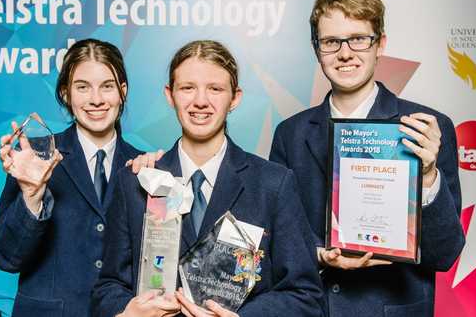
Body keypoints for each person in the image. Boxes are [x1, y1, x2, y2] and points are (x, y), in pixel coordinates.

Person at [269, 0, 465, 316]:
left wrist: (429, 175)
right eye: (331, 42)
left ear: (380, 44)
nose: (345, 53)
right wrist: (319, 254)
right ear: (317, 49)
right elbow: (278, 241)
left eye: (359, 38)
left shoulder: (427, 129)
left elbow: (444, 255)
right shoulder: (290, 134)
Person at [92, 40, 325, 317]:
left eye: (215, 89)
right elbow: (107, 288)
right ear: (170, 95)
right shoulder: (135, 183)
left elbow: (306, 297)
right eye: (187, 88)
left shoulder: (273, 184)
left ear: (235, 98)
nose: (200, 101)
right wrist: (127, 311)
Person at [0, 38, 142, 316]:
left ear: (123, 91)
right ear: (66, 93)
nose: (96, 99)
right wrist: (32, 194)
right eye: (82, 87)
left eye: (107, 86)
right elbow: (6, 258)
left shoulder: (145, 167)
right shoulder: (33, 157)